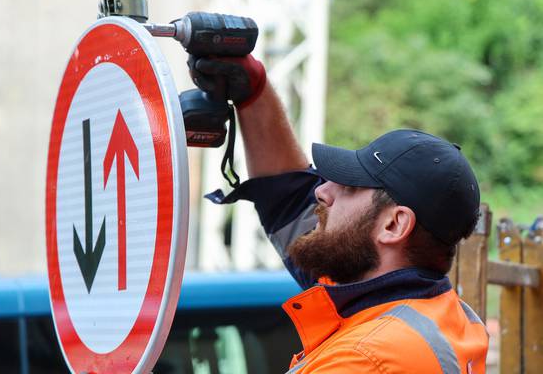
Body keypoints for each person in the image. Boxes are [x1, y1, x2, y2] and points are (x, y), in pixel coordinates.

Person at [188, 54, 489, 373]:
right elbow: (287, 197)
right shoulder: (434, 312)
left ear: (394, 224)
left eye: (350, 186)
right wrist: (253, 88)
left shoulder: (365, 359)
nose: (321, 190)